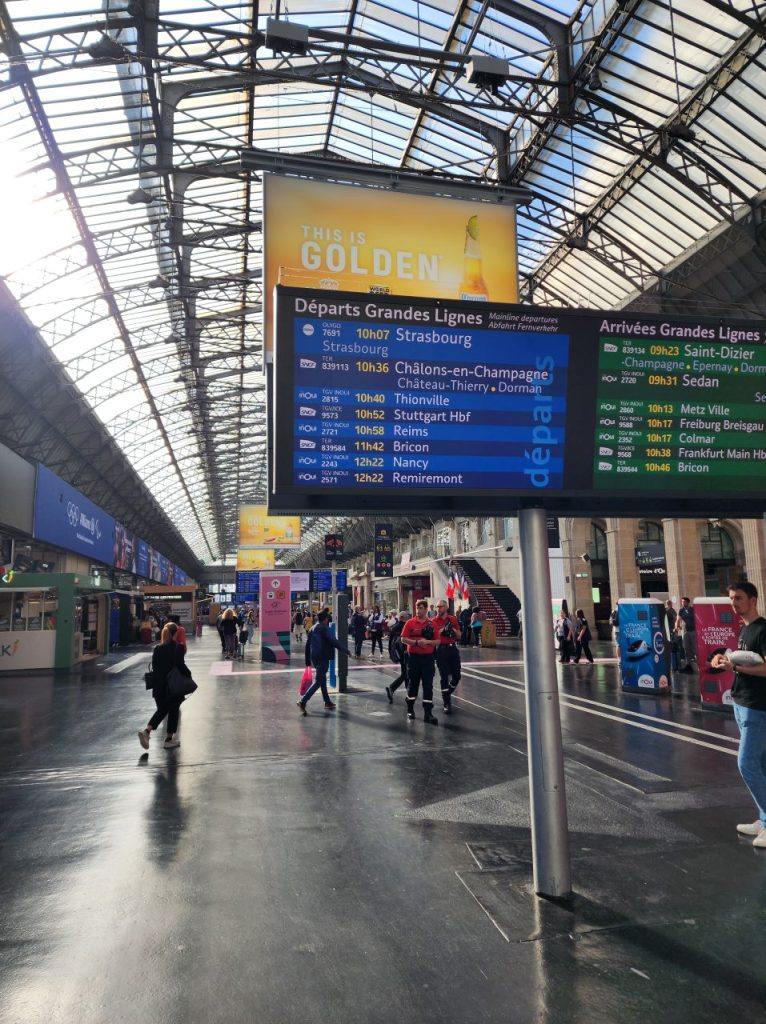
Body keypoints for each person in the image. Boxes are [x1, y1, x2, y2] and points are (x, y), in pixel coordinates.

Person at [711, 582, 766, 848]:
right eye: (731, 598)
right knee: (761, 764)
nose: (733, 603)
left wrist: (734, 667)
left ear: (753, 600)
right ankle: (764, 818)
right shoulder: (744, 628)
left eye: (739, 598)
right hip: (742, 702)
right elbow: (747, 662)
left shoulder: (763, 629)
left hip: (757, 705)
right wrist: (725, 661)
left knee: (747, 764)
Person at [138, 622, 192, 751]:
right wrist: (189, 676)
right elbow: (181, 666)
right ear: (175, 634)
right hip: (172, 686)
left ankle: (150, 732)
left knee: (163, 710)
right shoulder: (178, 648)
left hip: (158, 686)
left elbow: (155, 667)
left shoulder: (157, 648)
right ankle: (165, 738)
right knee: (173, 710)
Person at [298, 609, 359, 714]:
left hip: (314, 657)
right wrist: (346, 651)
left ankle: (327, 701)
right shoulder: (325, 628)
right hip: (323, 656)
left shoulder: (312, 628)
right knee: (319, 681)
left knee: (321, 679)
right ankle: (303, 701)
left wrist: (307, 660)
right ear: (326, 619)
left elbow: (308, 645)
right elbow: (334, 641)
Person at [401, 599, 439, 724]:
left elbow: (438, 641)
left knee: (428, 685)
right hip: (414, 658)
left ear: (426, 609)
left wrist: (427, 642)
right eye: (417, 608)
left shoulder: (432, 624)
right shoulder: (410, 623)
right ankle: (410, 709)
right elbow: (403, 639)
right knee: (413, 684)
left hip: (428, 658)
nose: (418, 610)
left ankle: (428, 713)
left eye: (421, 608)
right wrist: (417, 642)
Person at [433, 599, 461, 713]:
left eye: (441, 606)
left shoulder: (453, 619)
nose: (438, 609)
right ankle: (446, 702)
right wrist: (442, 630)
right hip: (441, 650)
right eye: (437, 607)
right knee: (444, 676)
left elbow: (459, 635)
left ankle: (447, 693)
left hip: (452, 648)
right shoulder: (433, 621)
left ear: (446, 607)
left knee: (457, 676)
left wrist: (452, 630)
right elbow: (432, 636)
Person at [385, 611, 410, 703]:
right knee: (406, 673)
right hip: (404, 652)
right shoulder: (404, 626)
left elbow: (390, 641)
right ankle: (392, 687)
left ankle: (408, 691)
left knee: (405, 672)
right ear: (403, 617)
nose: (409, 618)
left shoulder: (395, 626)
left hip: (398, 653)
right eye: (408, 616)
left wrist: (391, 653)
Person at [677, 596, 696, 672]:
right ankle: (689, 665)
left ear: (688, 602)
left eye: (684, 601)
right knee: (686, 647)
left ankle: (699, 664)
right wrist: (677, 626)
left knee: (695, 648)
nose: (682, 603)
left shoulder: (692, 609)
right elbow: (678, 619)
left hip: (693, 631)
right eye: (682, 602)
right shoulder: (681, 610)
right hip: (685, 631)